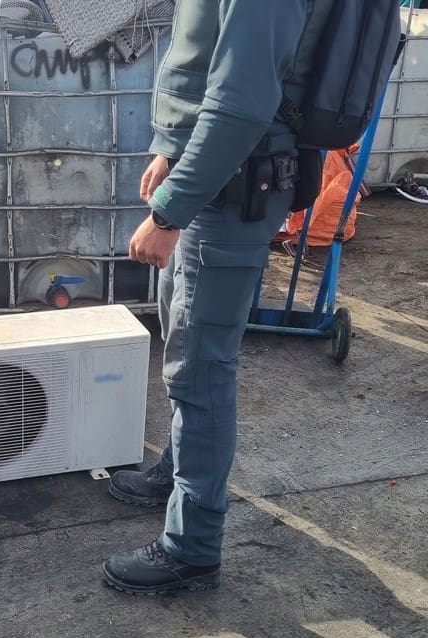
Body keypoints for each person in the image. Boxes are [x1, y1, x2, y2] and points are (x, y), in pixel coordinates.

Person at [100, 0, 337, 595]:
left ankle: (192, 547)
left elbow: (241, 103)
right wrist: (170, 147)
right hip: (216, 179)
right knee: (181, 338)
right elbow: (207, 61)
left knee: (201, 368)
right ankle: (178, 468)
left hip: (233, 189)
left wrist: (170, 210)